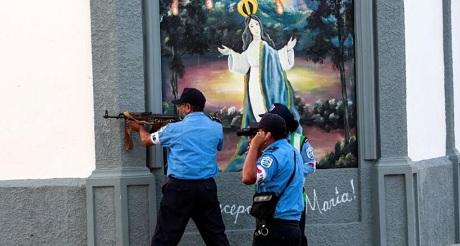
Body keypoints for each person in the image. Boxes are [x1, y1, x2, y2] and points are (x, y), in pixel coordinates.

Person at [128, 88, 230, 246]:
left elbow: (147, 140)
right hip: (207, 188)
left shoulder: (174, 129)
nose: (178, 109)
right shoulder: (216, 127)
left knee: (165, 238)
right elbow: (218, 146)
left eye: (181, 105)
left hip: (179, 189)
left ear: (188, 107)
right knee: (216, 237)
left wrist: (139, 127)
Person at [218, 12, 301, 172]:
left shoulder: (265, 45)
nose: (254, 28)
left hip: (267, 84)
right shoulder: (251, 46)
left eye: (256, 25)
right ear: (248, 29)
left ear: (260, 26)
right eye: (251, 26)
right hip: (254, 84)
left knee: (266, 111)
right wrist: (230, 53)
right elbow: (243, 63)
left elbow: (277, 59)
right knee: (257, 113)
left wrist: (287, 50)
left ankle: (269, 142)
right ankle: (260, 144)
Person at [242, 113, 305, 246]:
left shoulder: (272, 156)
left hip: (275, 228)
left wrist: (253, 147)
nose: (256, 136)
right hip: (293, 227)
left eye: (260, 132)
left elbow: (248, 177)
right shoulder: (293, 152)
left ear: (268, 135)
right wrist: (258, 152)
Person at [262, 103, 316, 246]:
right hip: (267, 202)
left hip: (294, 201)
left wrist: (291, 171)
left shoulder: (299, 140)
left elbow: (311, 165)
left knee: (296, 238)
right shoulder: (265, 139)